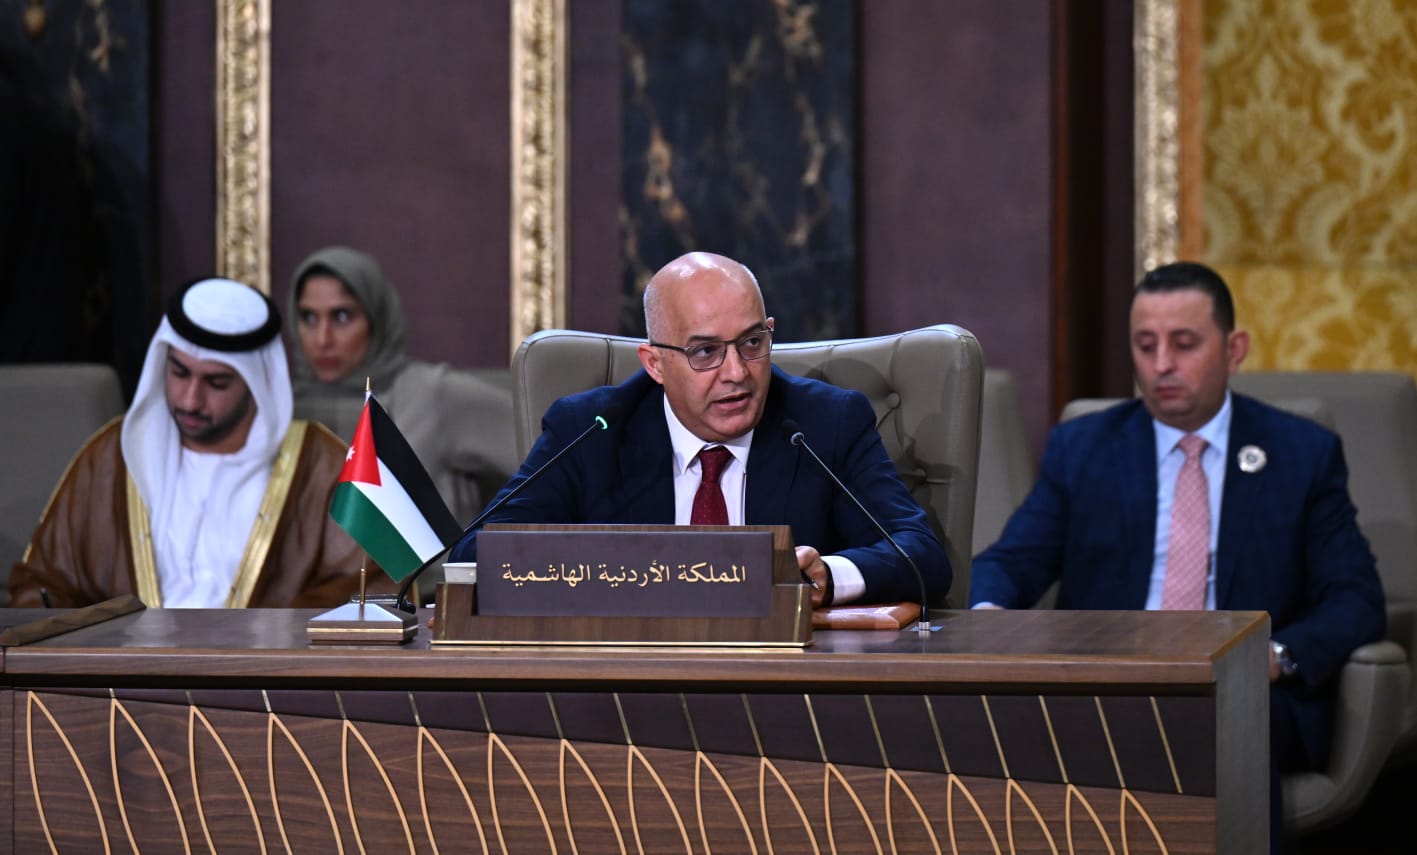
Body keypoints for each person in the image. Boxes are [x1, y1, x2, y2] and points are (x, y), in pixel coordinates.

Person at [969, 261, 1385, 852]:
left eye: (1184, 344)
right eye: (1145, 345)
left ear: (1234, 349)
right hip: (1110, 685)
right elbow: (1011, 562)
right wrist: (987, 618)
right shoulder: (1084, 447)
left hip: (1243, 693)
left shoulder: (1301, 453)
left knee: (1222, 723)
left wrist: (1275, 657)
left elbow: (1355, 599)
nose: (1161, 364)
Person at [448, 251, 950, 607]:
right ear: (655, 364)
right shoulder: (590, 431)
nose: (736, 372)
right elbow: (476, 556)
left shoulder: (826, 424)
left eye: (752, 342)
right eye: (705, 351)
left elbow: (922, 555)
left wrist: (829, 575)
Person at [8, 277, 380, 608]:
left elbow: (374, 586)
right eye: (179, 373)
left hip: (263, 665)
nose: (190, 400)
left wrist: (275, 637)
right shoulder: (112, 456)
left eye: (216, 383)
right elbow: (43, 582)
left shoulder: (318, 465)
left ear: (258, 383)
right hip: (125, 665)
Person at [288, 245, 517, 525]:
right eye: (309, 318)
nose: (322, 339)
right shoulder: (282, 409)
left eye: (342, 317)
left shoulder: (429, 394)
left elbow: (555, 453)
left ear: (376, 319)